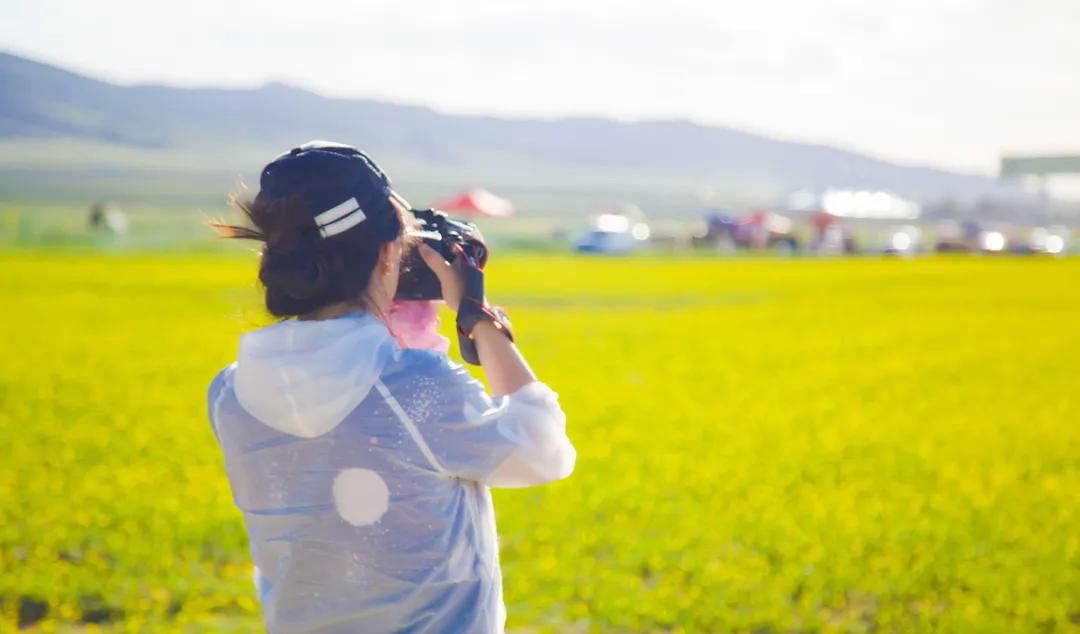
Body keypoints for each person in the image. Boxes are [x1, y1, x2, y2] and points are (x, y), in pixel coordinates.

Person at [206, 141, 576, 633]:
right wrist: (479, 319)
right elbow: (545, 450)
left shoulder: (230, 395)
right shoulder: (416, 388)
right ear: (386, 257)